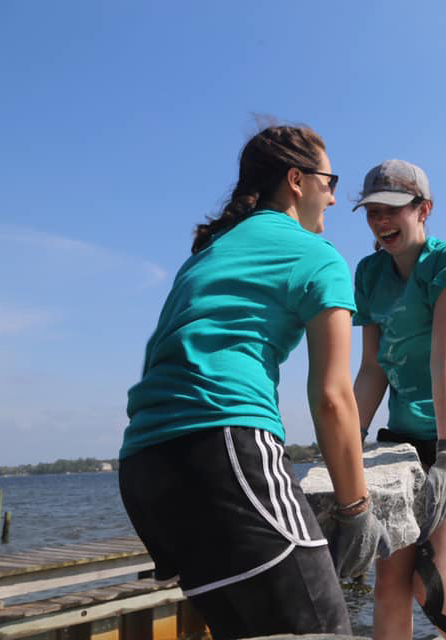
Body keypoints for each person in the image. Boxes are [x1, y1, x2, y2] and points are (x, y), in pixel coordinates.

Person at [118, 125, 388, 639]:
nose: (334, 195)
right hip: (224, 448)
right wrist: (355, 510)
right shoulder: (319, 256)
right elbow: (332, 398)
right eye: (329, 180)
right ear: (296, 181)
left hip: (144, 467)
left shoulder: (208, 252)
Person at [351, 159, 446, 640]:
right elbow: (373, 368)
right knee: (389, 582)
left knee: (432, 582)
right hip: (402, 440)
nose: (381, 222)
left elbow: (445, 361)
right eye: (372, 211)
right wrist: (349, 443)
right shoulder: (368, 272)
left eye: (393, 210)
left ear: (424, 210)